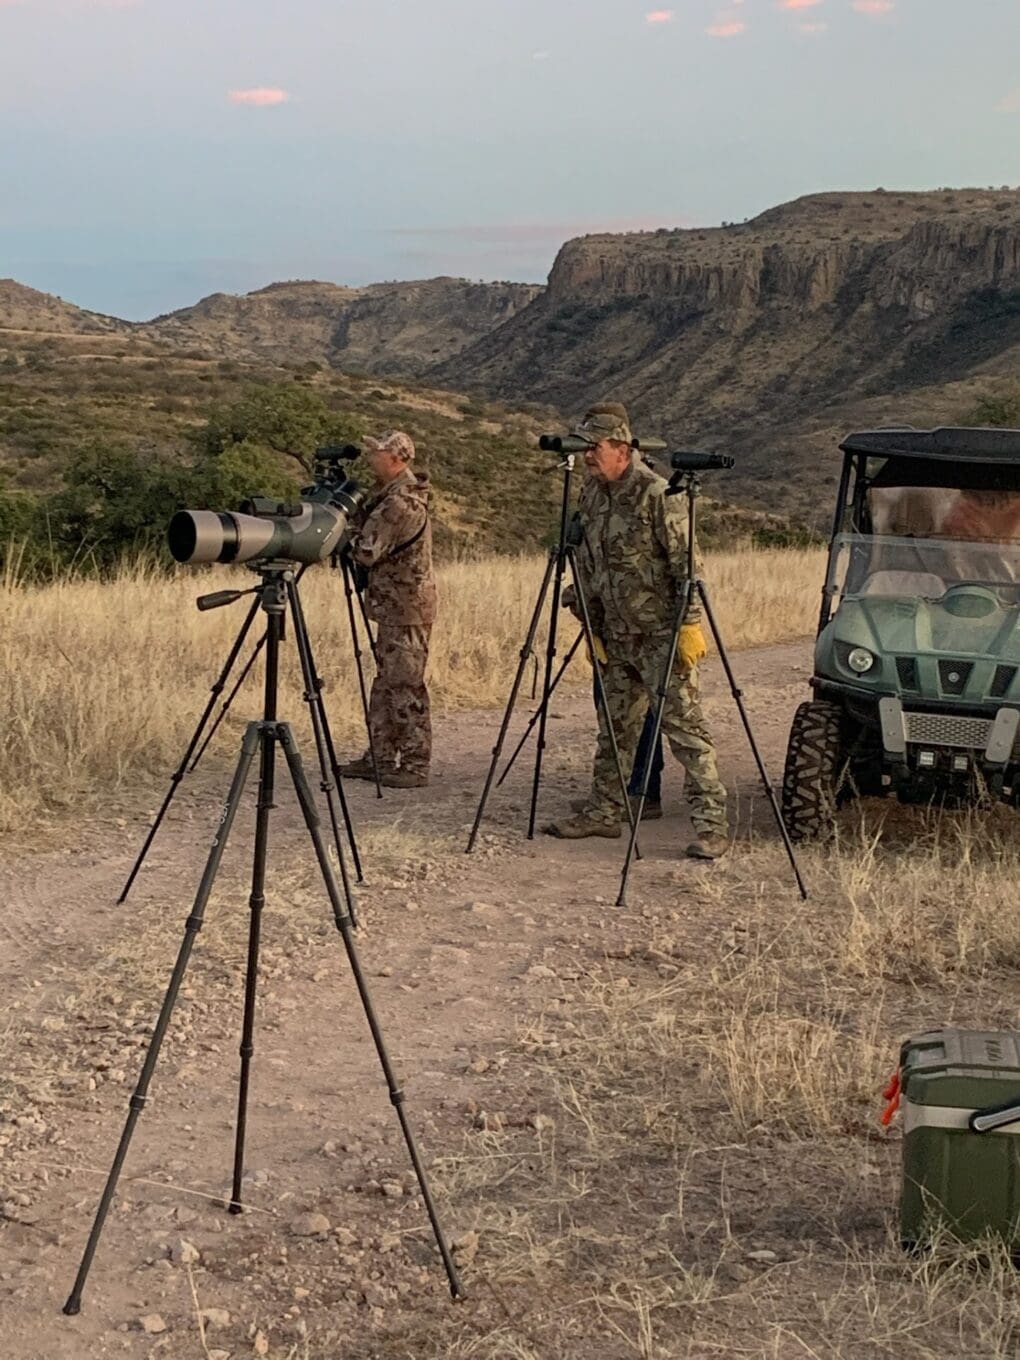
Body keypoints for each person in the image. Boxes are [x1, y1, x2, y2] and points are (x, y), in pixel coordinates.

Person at [545, 402, 728, 859]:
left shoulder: (656, 494)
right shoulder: (591, 494)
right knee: (615, 730)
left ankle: (712, 826)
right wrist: (590, 620)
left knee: (685, 731)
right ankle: (605, 812)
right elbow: (589, 561)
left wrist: (689, 626)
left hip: (660, 636)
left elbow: (689, 567)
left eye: (595, 447)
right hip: (616, 634)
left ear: (622, 449)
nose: (588, 455)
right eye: (585, 447)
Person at [339, 431, 437, 789]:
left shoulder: (400, 503)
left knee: (406, 684)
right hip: (395, 605)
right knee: (386, 683)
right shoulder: (390, 497)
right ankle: (379, 756)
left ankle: (414, 763)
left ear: (396, 458)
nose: (370, 458)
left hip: (406, 607)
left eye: (377, 452)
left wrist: (337, 530)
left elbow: (367, 550)